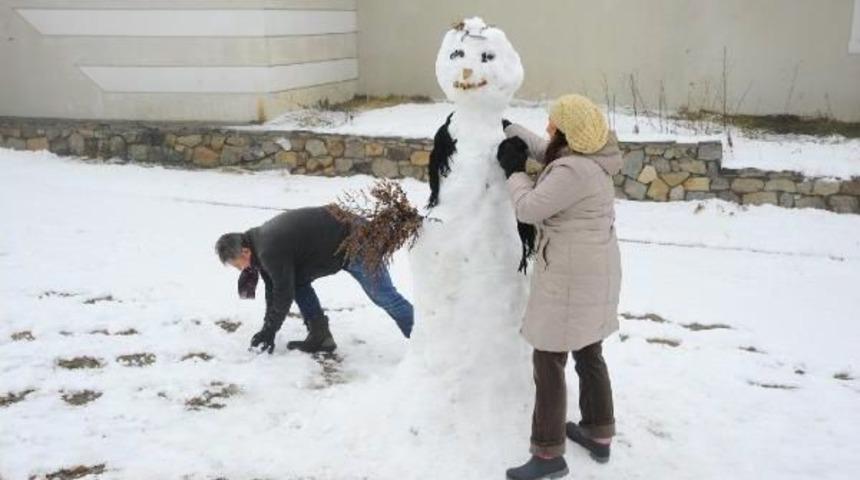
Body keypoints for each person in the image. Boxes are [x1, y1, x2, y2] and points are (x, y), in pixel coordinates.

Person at [498, 94, 623, 480]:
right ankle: (598, 432)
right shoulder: (592, 156)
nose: (548, 128)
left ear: (568, 131)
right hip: (596, 268)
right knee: (589, 349)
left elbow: (529, 208)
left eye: (553, 124)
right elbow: (550, 151)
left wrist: (514, 172)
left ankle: (549, 456)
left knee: (549, 359)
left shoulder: (572, 172)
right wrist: (510, 129)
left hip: (570, 276)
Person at [215, 206, 414, 354]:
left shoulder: (268, 250)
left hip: (356, 240)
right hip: (340, 242)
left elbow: (283, 294)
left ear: (245, 251)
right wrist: (267, 330)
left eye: (237, 264)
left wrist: (270, 331)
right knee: (297, 284)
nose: (240, 270)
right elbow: (273, 290)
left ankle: (425, 340)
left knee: (384, 297)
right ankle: (321, 337)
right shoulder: (260, 244)